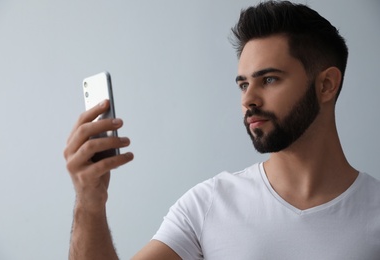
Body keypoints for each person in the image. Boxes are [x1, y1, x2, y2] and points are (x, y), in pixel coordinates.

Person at [64, 1, 380, 259]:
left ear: (326, 85)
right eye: (244, 84)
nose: (248, 99)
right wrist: (89, 204)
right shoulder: (209, 204)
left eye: (269, 80)